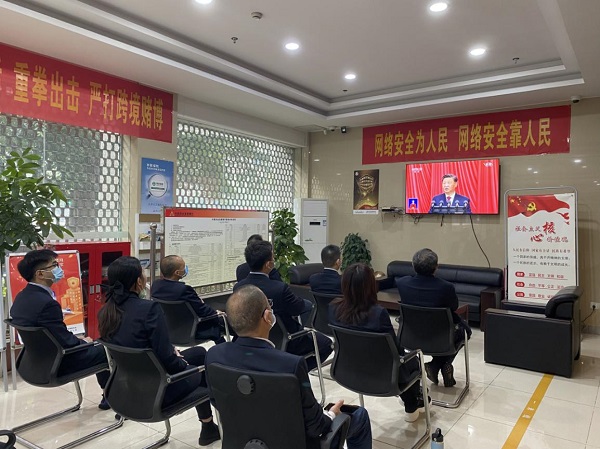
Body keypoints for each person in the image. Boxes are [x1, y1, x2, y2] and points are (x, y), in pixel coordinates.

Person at [206, 285, 373, 449]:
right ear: (267, 316)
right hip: (296, 443)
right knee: (359, 416)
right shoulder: (290, 365)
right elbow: (316, 427)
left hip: (244, 442)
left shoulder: (213, 356)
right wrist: (331, 415)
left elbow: (217, 402)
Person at [97, 256, 220, 446]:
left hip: (125, 388)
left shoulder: (106, 312)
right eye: (143, 273)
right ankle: (209, 426)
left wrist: (172, 353)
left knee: (199, 353)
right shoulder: (148, 309)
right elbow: (168, 362)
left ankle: (209, 428)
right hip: (159, 390)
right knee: (202, 367)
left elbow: (143, 347)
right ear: (138, 281)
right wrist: (183, 364)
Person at [10, 249, 111, 409]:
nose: (59, 269)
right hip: (57, 365)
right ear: (40, 274)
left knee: (93, 344)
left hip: (30, 364)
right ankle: (110, 397)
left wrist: (77, 340)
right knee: (107, 348)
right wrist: (84, 342)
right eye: (54, 265)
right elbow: (66, 343)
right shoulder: (47, 304)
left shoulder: (21, 297)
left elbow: (54, 335)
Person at [329, 263, 428, 423]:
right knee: (412, 361)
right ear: (370, 285)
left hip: (348, 371)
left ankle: (415, 399)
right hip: (382, 377)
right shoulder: (378, 313)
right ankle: (412, 403)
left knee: (402, 364)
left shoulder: (333, 308)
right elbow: (396, 351)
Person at [234, 240, 333, 371]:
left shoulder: (238, 288)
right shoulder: (279, 288)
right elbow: (299, 308)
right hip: (286, 340)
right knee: (326, 344)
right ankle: (293, 371)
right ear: (268, 264)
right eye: (273, 258)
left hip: (250, 340)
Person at [395, 248, 472, 388]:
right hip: (442, 339)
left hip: (410, 337)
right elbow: (454, 307)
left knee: (447, 331)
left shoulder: (402, 283)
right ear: (436, 267)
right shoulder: (446, 287)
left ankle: (436, 365)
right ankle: (440, 363)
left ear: (413, 266)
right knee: (466, 331)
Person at [151, 255, 227, 344]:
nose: (185, 269)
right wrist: (216, 314)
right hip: (191, 331)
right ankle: (226, 349)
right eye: (184, 267)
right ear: (177, 273)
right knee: (222, 321)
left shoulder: (156, 286)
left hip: (168, 330)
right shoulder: (184, 290)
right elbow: (203, 311)